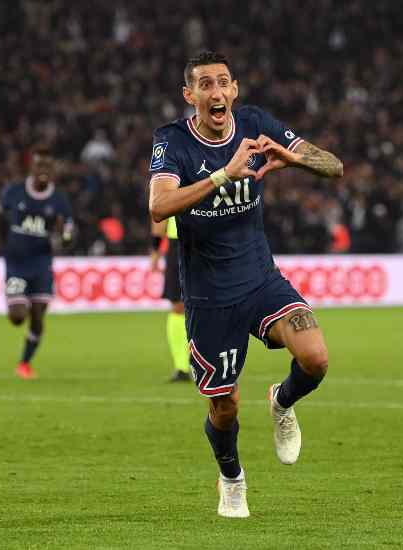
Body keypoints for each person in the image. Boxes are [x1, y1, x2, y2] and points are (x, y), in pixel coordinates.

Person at [148, 51, 343, 518]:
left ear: (234, 89)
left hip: (260, 280)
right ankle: (232, 479)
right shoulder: (172, 141)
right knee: (225, 408)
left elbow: (333, 166)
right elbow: (159, 206)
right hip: (209, 297)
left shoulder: (255, 122)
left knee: (315, 357)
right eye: (205, 85)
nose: (216, 93)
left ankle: (282, 400)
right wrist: (221, 175)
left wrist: (292, 160)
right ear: (189, 95)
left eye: (224, 83)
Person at [0, 146, 73, 379]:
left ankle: (24, 363)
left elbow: (68, 231)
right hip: (16, 262)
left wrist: (64, 237)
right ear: (31, 167)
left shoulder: (59, 199)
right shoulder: (14, 191)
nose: (43, 169)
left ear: (53, 169)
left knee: (37, 317)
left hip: (42, 264)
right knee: (17, 317)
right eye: (39, 165)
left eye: (47, 165)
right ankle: (16, 305)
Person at [150, 217, 191, 382]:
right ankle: (182, 367)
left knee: (208, 304)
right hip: (178, 243)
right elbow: (159, 216)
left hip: (206, 240)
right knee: (178, 306)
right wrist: (155, 251)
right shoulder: (167, 189)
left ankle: (202, 360)